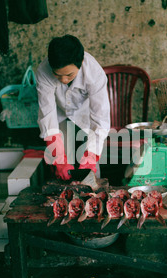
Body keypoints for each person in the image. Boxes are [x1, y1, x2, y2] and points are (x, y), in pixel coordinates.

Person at [36, 34, 110, 180]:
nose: (63, 80)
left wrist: (92, 156)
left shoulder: (94, 72)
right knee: (62, 165)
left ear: (81, 62)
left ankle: (93, 193)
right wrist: (59, 160)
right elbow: (47, 115)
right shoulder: (43, 72)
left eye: (69, 75)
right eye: (57, 75)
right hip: (59, 114)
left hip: (85, 114)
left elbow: (100, 117)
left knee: (90, 165)